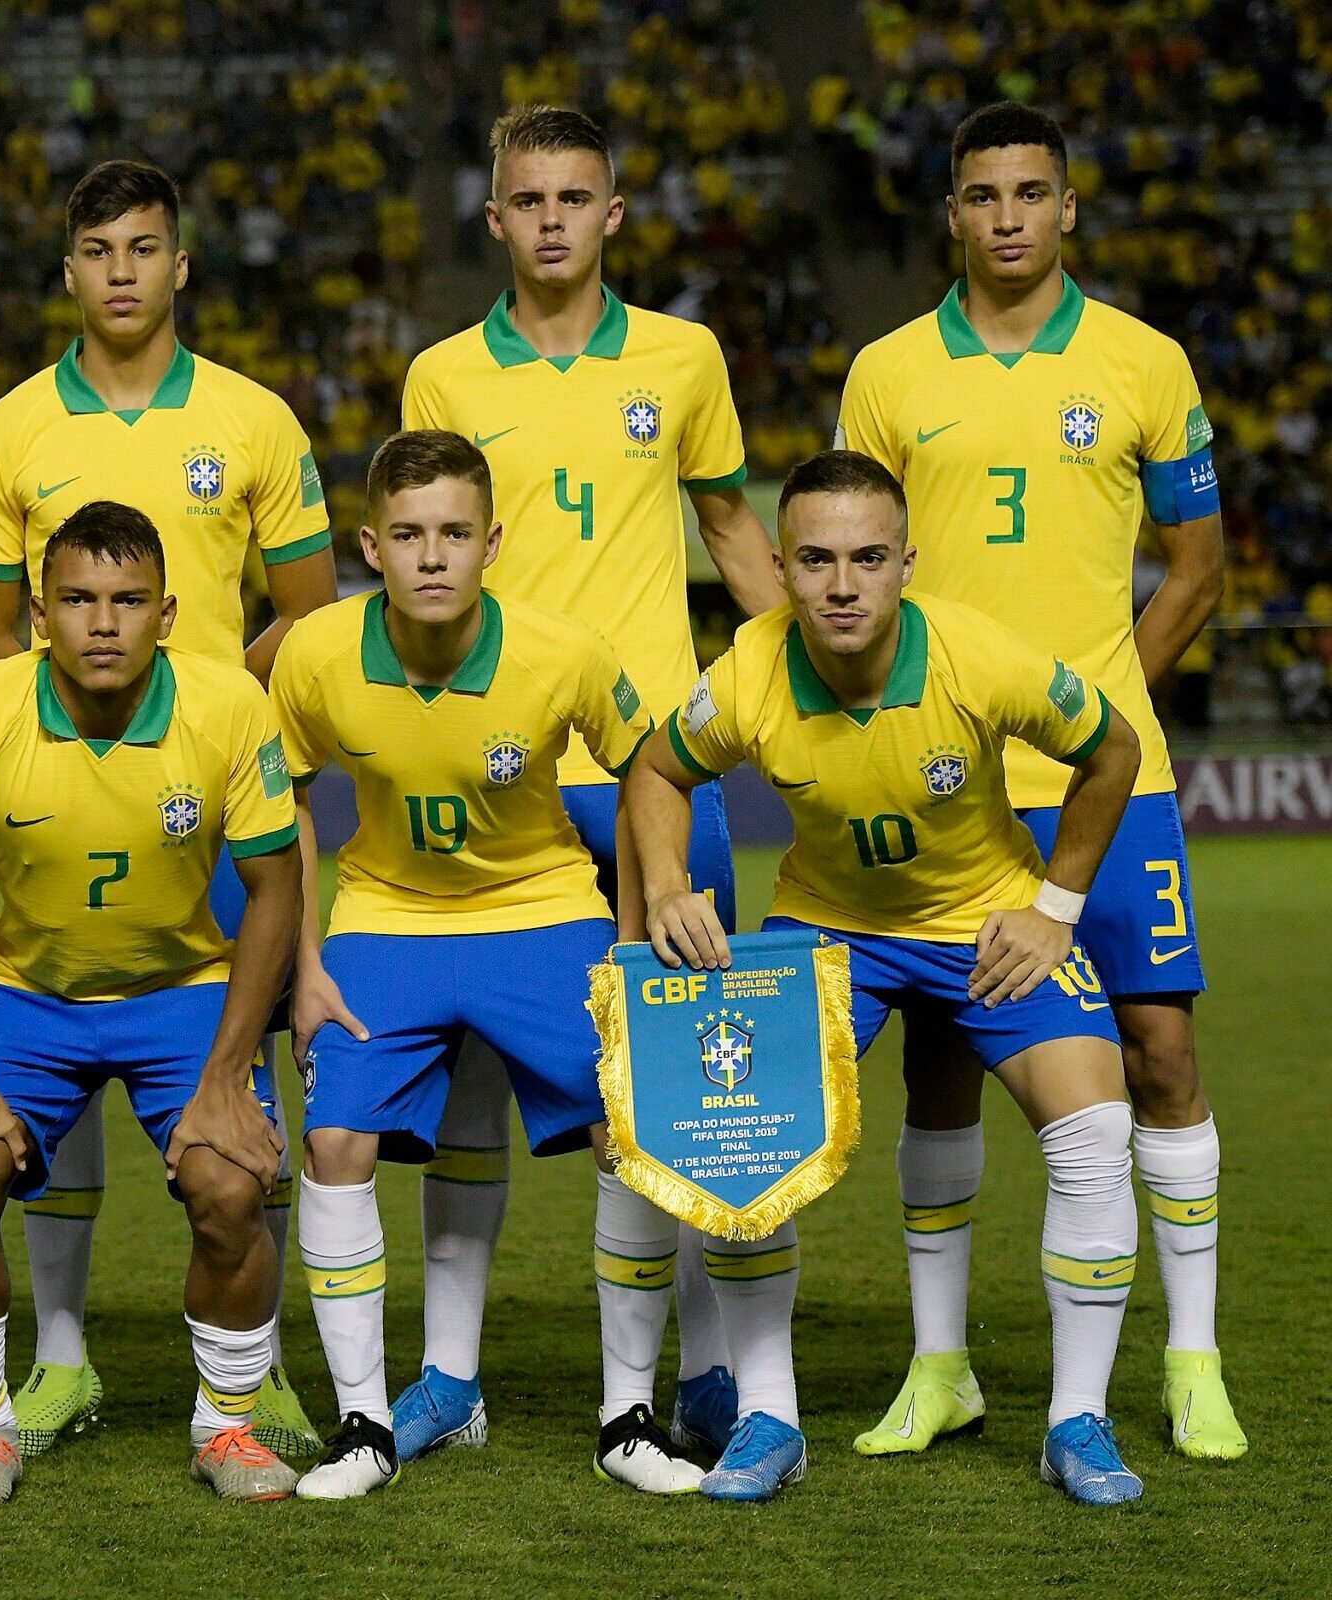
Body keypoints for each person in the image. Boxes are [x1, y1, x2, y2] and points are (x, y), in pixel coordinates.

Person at [627, 450, 1152, 1506]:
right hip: (833, 930)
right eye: (814, 559)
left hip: (983, 926)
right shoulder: (745, 672)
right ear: (777, 565)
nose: (841, 583)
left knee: (1095, 1132)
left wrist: (1053, 908)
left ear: (907, 561)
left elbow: (1114, 750)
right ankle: (771, 1417)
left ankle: (1075, 1423)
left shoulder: (976, 653)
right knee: (737, 1127)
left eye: (868, 557)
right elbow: (653, 767)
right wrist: (670, 883)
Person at [836, 100, 1241, 1462]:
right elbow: (853, 560)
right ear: (950, 214)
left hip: (1111, 781)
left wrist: (1102, 700)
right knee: (941, 1069)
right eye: (980, 194)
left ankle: (1192, 1360)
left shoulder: (1143, 361)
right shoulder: (889, 374)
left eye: (1030, 192)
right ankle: (940, 1367)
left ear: (1068, 209)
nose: (1005, 214)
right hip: (949, 780)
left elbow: (1200, 565)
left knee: (1161, 1051)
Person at [397, 104, 783, 1460]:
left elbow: (735, 527)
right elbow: (429, 570)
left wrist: (804, 683)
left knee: (673, 1083)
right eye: (528, 199)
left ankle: (698, 1374)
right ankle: (451, 1377)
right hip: (495, 769)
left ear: (613, 214)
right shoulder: (443, 376)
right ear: (493, 218)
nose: (551, 219)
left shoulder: (684, 358)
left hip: (655, 776)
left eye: (576, 197)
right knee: (466, 1078)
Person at [0, 157, 335, 1460]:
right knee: (60, 1050)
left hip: (215, 793)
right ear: (70, 271)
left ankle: (254, 1375)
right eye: (99, 249)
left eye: (145, 248)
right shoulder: (9, 431)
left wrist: (221, 708)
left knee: (237, 1096)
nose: (123, 270)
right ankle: (58, 1363)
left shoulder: (254, 419)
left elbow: (308, 605)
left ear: (182, 266)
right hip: (71, 788)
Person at [269, 429, 736, 1500]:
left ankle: (626, 1415)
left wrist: (630, 940)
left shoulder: (562, 651)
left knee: (633, 1125)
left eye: (453, 533)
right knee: (334, 1138)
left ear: (492, 543)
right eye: (407, 535)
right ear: (369, 547)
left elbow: (650, 771)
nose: (431, 556)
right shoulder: (315, 654)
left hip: (542, 910)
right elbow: (278, 801)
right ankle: (362, 1427)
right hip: (386, 919)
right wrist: (305, 963)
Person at [0, 502, 303, 1507]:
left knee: (231, 1185)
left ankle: (227, 1427)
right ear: (39, 612)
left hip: (182, 991)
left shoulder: (229, 708)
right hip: (26, 992)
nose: (104, 622)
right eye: (77, 600)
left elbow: (278, 885)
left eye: (127, 601)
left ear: (167, 613)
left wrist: (224, 1077)